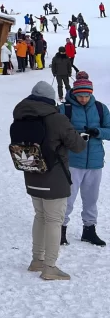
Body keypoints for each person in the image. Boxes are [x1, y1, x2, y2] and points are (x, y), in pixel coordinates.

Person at [12, 80, 86, 280]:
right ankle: (50, 267)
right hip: (54, 177)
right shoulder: (56, 118)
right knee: (54, 220)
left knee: (40, 217)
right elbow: (77, 145)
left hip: (31, 174)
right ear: (50, 99)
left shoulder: (20, 116)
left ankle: (37, 260)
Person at [60, 77, 109, 247]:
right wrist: (75, 135)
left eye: (86, 96)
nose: (83, 99)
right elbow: (57, 132)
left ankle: (89, 230)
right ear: (74, 93)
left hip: (95, 162)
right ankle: (61, 230)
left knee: (91, 199)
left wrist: (98, 132)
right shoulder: (64, 109)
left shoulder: (100, 108)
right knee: (67, 198)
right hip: (72, 161)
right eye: (80, 95)